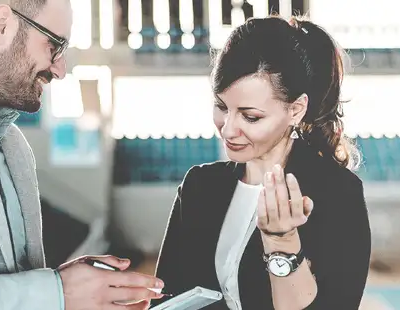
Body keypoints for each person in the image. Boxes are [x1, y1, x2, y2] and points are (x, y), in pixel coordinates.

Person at [151, 15, 371, 310]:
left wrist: (283, 242)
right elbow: (168, 296)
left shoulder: (337, 194)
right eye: (221, 106)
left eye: (250, 116)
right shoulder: (199, 186)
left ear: (295, 110)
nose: (228, 129)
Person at [0, 1, 165, 309]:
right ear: (1, 25)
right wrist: (58, 292)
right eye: (54, 45)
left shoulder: (13, 149)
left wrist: (74, 287)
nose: (60, 70)